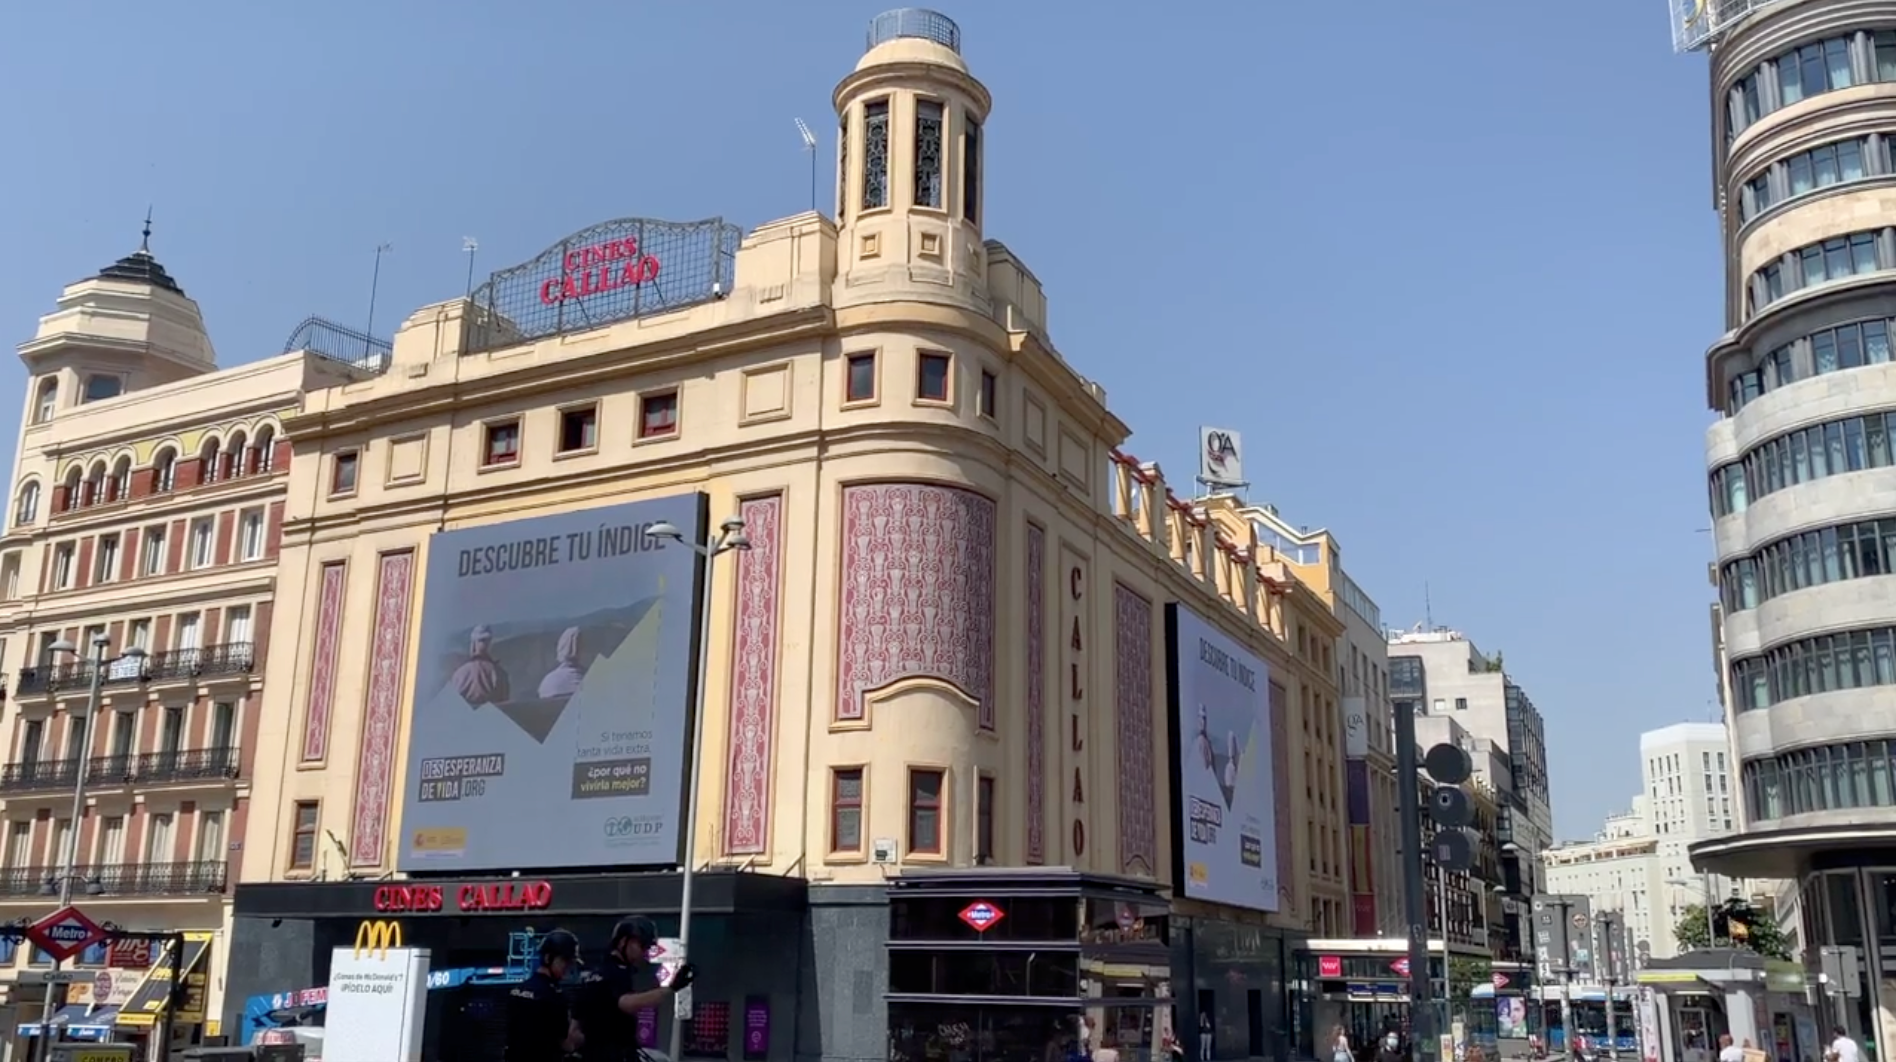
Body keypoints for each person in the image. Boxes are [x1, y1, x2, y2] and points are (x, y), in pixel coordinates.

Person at [573, 915, 697, 1061]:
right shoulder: (616, 971)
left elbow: (574, 1027)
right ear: (623, 942)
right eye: (641, 945)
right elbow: (626, 1003)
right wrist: (671, 989)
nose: (644, 952)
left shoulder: (593, 974)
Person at [505, 929, 585, 1061]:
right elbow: (566, 1044)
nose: (568, 967)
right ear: (548, 958)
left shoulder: (517, 990)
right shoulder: (554, 997)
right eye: (565, 960)